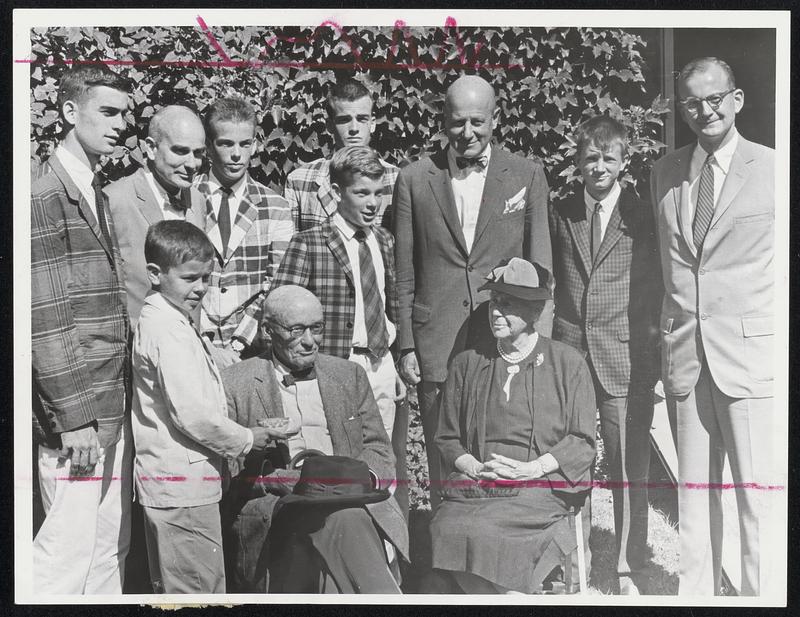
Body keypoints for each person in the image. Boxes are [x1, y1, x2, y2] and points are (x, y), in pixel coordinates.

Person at [393, 74, 552, 507]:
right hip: (436, 340)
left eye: (477, 122)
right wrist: (407, 344)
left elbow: (541, 272)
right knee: (444, 453)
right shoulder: (413, 178)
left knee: (503, 448)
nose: (467, 133)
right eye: (458, 122)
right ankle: (445, 561)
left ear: (495, 119)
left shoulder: (525, 175)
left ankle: (498, 556)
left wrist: (538, 343)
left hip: (504, 339)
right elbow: (404, 272)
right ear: (443, 119)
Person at [650, 57, 776, 596]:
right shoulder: (664, 172)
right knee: (693, 497)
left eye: (714, 99)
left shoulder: (773, 167)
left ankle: (760, 600)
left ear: (737, 100)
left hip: (750, 359)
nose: (704, 111)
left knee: (757, 499)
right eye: (692, 103)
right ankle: (695, 599)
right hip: (686, 357)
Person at [220, 285, 409, 593]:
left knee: (340, 525)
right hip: (279, 506)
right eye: (296, 330)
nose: (309, 341)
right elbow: (227, 468)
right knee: (342, 522)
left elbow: (378, 447)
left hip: (351, 497)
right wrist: (279, 480)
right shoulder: (236, 383)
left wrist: (359, 479)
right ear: (268, 331)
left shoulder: (349, 375)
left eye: (316, 328)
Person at [431, 258, 596, 594]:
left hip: (538, 487)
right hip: (479, 485)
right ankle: (505, 597)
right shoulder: (468, 365)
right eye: (494, 302)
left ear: (534, 312)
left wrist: (530, 469)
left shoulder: (568, 364)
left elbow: (582, 441)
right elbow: (447, 439)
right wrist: (476, 467)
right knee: (446, 526)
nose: (495, 312)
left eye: (507, 304)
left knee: (491, 530)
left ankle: (508, 596)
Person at [549, 115, 662, 594]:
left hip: (624, 356)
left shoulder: (642, 214)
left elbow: (655, 289)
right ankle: (572, 562)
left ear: (623, 161)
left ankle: (627, 566)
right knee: (571, 458)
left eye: (608, 158)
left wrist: (651, 355)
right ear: (578, 160)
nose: (599, 167)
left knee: (626, 463)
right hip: (571, 351)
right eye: (590, 158)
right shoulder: (563, 212)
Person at [31, 65, 132, 594]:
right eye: (107, 112)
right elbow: (45, 318)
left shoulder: (94, 188)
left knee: (104, 553)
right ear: (70, 112)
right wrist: (73, 418)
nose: (119, 125)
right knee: (62, 561)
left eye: (125, 114)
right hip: (77, 418)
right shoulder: (44, 193)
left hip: (109, 408)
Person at [130, 220, 271, 593]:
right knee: (197, 590)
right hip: (182, 490)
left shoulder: (168, 319)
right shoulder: (168, 330)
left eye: (207, 278)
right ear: (155, 274)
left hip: (178, 486)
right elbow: (192, 414)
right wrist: (247, 438)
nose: (201, 288)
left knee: (188, 588)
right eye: (190, 278)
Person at [272, 145, 409, 516]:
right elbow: (281, 308)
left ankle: (383, 561)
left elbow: (389, 305)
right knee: (337, 469)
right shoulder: (311, 243)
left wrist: (393, 364)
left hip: (379, 367)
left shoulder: (383, 241)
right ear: (335, 193)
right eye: (361, 193)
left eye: (378, 193)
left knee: (380, 466)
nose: (373, 204)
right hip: (335, 367)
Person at [196, 97, 294, 364]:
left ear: (255, 144)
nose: (236, 154)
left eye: (245, 144)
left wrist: (238, 344)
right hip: (194, 343)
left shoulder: (276, 206)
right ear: (208, 146)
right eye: (226, 143)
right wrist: (204, 342)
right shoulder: (186, 197)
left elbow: (276, 282)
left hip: (253, 349)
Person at [106, 105, 207, 326]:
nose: (192, 164)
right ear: (151, 148)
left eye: (198, 152)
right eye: (180, 151)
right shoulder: (115, 200)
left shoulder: (198, 200)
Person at [284, 77, 398, 232]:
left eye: (362, 119)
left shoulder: (396, 180)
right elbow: (290, 251)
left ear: (373, 123)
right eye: (344, 120)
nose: (354, 128)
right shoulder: (299, 181)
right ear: (330, 125)